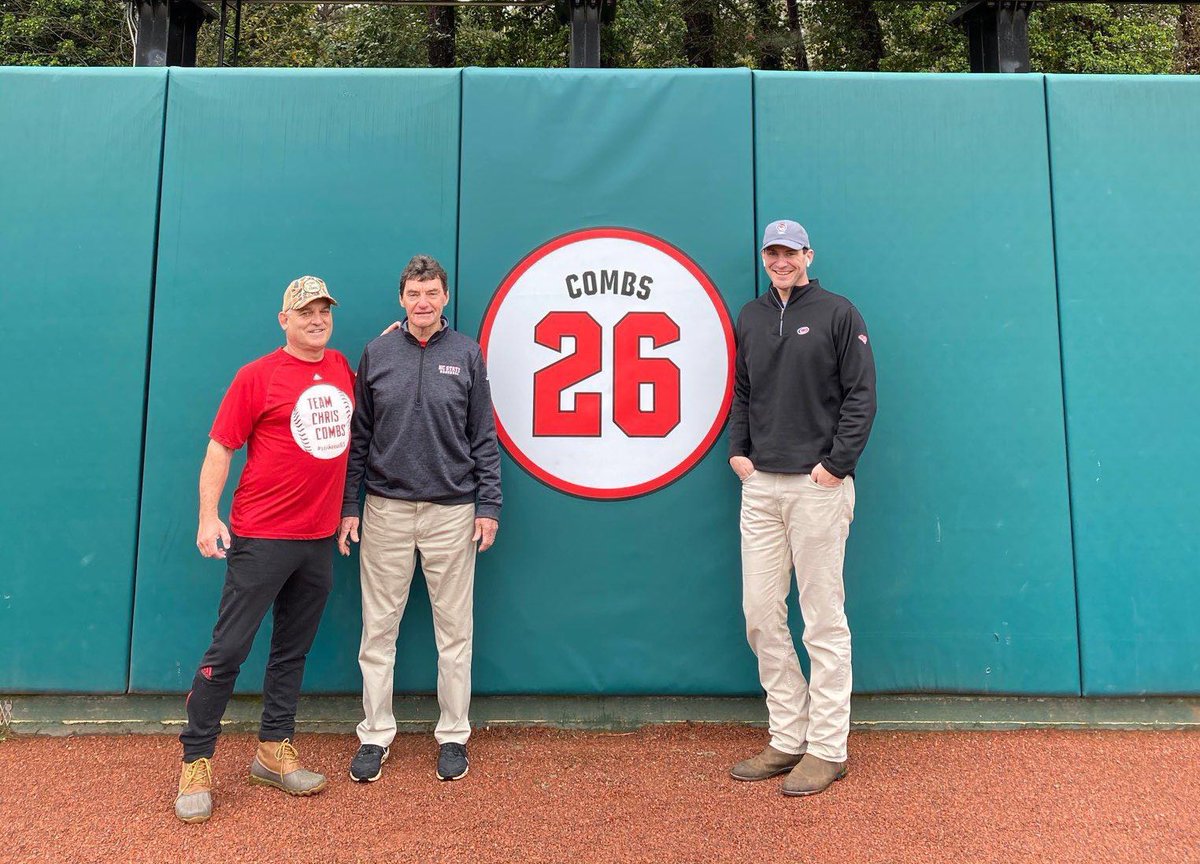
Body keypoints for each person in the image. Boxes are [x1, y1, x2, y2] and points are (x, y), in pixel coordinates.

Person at [174, 276, 355, 824]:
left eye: (324, 311)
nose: (316, 320)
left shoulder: (342, 367)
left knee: (292, 651)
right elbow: (221, 447)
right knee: (229, 650)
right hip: (262, 536)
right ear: (284, 320)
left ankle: (273, 750)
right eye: (305, 312)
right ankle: (196, 760)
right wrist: (208, 516)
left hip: (318, 539)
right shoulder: (256, 375)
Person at [339, 254, 501, 784]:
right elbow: (359, 437)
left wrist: (489, 505)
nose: (423, 302)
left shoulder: (467, 353)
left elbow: (483, 436)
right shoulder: (378, 352)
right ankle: (374, 734)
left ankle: (454, 735)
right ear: (401, 299)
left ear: (445, 297)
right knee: (377, 632)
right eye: (414, 294)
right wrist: (349, 506)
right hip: (385, 509)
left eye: (432, 293)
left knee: (454, 633)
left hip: (452, 511)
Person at [727, 220, 877, 797]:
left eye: (790, 252)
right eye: (773, 252)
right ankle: (788, 736)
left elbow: (862, 395)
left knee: (822, 619)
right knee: (760, 614)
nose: (781, 261)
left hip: (818, 486)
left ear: (808, 254)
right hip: (761, 485)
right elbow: (743, 390)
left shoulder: (839, 312)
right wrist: (739, 452)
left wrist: (836, 466)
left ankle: (828, 748)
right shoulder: (752, 315)